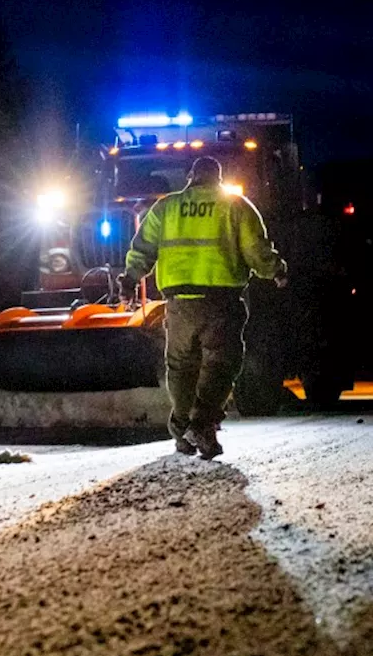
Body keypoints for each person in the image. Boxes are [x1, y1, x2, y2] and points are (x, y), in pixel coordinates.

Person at [119, 155, 288, 459]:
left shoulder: (166, 208)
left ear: (190, 177)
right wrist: (276, 270)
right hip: (220, 302)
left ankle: (181, 432)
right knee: (222, 365)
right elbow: (256, 250)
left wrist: (130, 279)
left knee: (181, 368)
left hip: (178, 303)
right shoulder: (236, 206)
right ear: (218, 178)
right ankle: (202, 423)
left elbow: (142, 247)